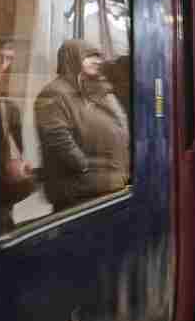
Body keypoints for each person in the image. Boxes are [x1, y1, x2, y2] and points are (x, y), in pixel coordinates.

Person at [35, 39, 130, 213]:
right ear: (71, 58)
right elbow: (56, 137)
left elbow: (120, 123)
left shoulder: (98, 91)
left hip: (108, 187)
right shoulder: (54, 93)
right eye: (89, 56)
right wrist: (83, 165)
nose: (96, 61)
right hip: (79, 192)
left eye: (97, 57)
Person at [0, 40, 37, 233]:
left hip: (1, 208)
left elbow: (18, 156)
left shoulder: (8, 107)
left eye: (7, 59)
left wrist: (21, 168)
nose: (1, 65)